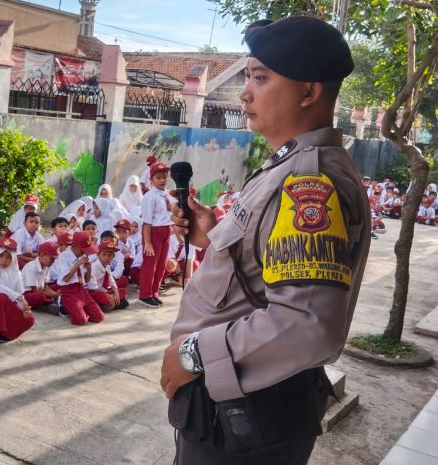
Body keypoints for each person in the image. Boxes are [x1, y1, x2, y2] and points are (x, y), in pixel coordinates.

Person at [160, 16, 371, 465]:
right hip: (237, 408)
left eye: (260, 77)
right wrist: (212, 238)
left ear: (309, 92)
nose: (245, 92)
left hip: (247, 416)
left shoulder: (309, 183)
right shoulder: (286, 167)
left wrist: (192, 354)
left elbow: (307, 325)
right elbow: (262, 271)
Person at [0, 238, 35, 342]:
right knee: (0, 297)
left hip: (9, 304)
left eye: (8, 258)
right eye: (1, 256)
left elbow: (19, 293)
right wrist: (19, 298)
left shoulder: (16, 272)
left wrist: (24, 308)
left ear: (13, 259)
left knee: (29, 319)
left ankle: (6, 331)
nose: (3, 261)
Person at [139, 161, 172, 308]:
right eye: (158, 177)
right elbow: (146, 222)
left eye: (164, 177)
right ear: (151, 179)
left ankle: (154, 293)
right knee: (150, 264)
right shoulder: (149, 196)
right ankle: (145, 295)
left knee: (161, 265)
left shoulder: (166, 194)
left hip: (166, 231)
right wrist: (147, 242)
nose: (162, 180)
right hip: (153, 232)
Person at [55, 231, 103, 326]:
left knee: (99, 317)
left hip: (82, 289)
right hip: (69, 291)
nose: (86, 252)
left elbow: (87, 280)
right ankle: (64, 306)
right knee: (80, 320)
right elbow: (66, 279)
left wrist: (89, 269)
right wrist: (77, 264)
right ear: (76, 246)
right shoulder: (63, 257)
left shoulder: (83, 256)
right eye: (84, 249)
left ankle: (78, 308)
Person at [87, 240, 128, 312]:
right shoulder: (93, 268)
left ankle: (111, 304)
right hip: (92, 292)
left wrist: (116, 293)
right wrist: (109, 296)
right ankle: (111, 305)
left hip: (103, 291)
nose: (107, 257)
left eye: (110, 255)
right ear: (98, 255)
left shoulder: (107, 267)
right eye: (104, 254)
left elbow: (112, 281)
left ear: (113, 257)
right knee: (106, 298)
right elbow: (93, 289)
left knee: (122, 292)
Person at [21, 241, 60, 314]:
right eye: (52, 259)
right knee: (40, 296)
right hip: (28, 294)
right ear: (42, 255)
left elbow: (45, 286)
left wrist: (55, 294)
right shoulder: (31, 267)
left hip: (40, 290)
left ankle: (45, 303)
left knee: (60, 286)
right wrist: (54, 295)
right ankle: (42, 306)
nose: (53, 262)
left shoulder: (46, 266)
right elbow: (34, 290)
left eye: (54, 260)